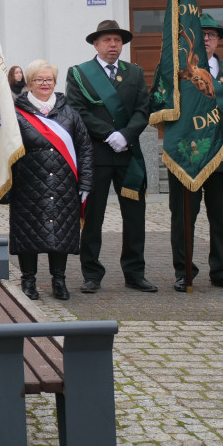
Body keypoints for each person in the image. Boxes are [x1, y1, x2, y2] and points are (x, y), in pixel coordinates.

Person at [66, 19, 156, 293]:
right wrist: (109, 134)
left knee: (135, 217)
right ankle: (91, 273)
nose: (113, 45)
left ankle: (134, 272)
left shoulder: (135, 73)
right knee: (93, 218)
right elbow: (77, 110)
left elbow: (143, 109)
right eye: (107, 40)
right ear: (96, 44)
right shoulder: (79, 73)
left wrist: (126, 135)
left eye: (117, 40)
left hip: (129, 156)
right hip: (97, 155)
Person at [168, 14, 223, 292]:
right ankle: (184, 272)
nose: (206, 39)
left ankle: (222, 270)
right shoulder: (176, 71)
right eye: (201, 34)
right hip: (187, 157)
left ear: (218, 40)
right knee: (183, 219)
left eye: (211, 35)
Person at [6, 60, 93, 301]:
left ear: (55, 83)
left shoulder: (70, 113)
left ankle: (59, 280)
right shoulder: (16, 114)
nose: (44, 84)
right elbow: (7, 149)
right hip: (28, 184)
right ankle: (29, 279)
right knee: (28, 233)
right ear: (30, 83)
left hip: (64, 184)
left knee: (60, 231)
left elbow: (84, 148)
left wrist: (85, 182)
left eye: (49, 80)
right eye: (39, 80)